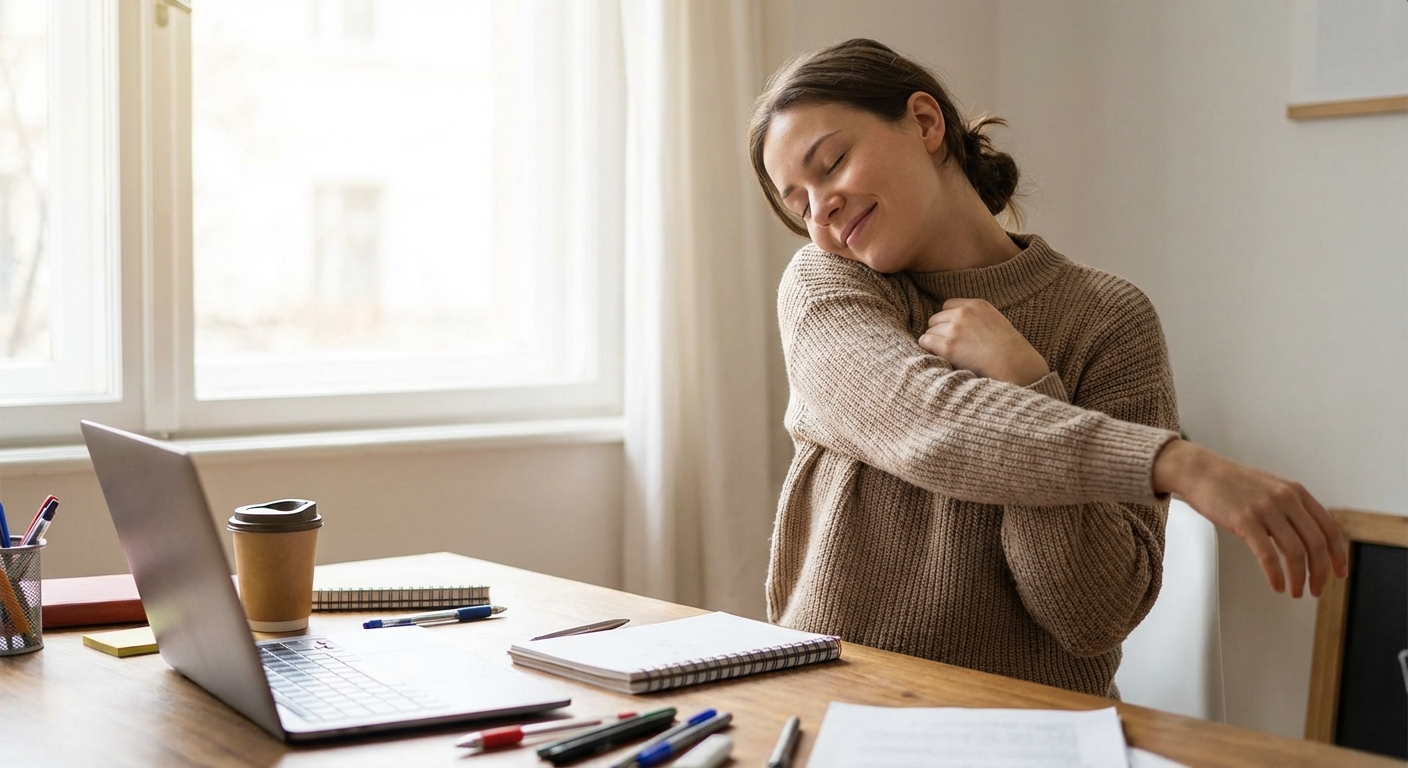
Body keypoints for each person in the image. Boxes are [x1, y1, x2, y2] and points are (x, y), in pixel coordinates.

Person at [747, 38, 1347, 696]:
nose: (821, 208)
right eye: (799, 204)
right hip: (836, 711)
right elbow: (922, 418)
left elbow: (1090, 615)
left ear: (924, 122)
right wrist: (1178, 463)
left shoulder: (1110, 318)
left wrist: (1028, 381)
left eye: (831, 163)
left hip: (1034, 731)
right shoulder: (828, 286)